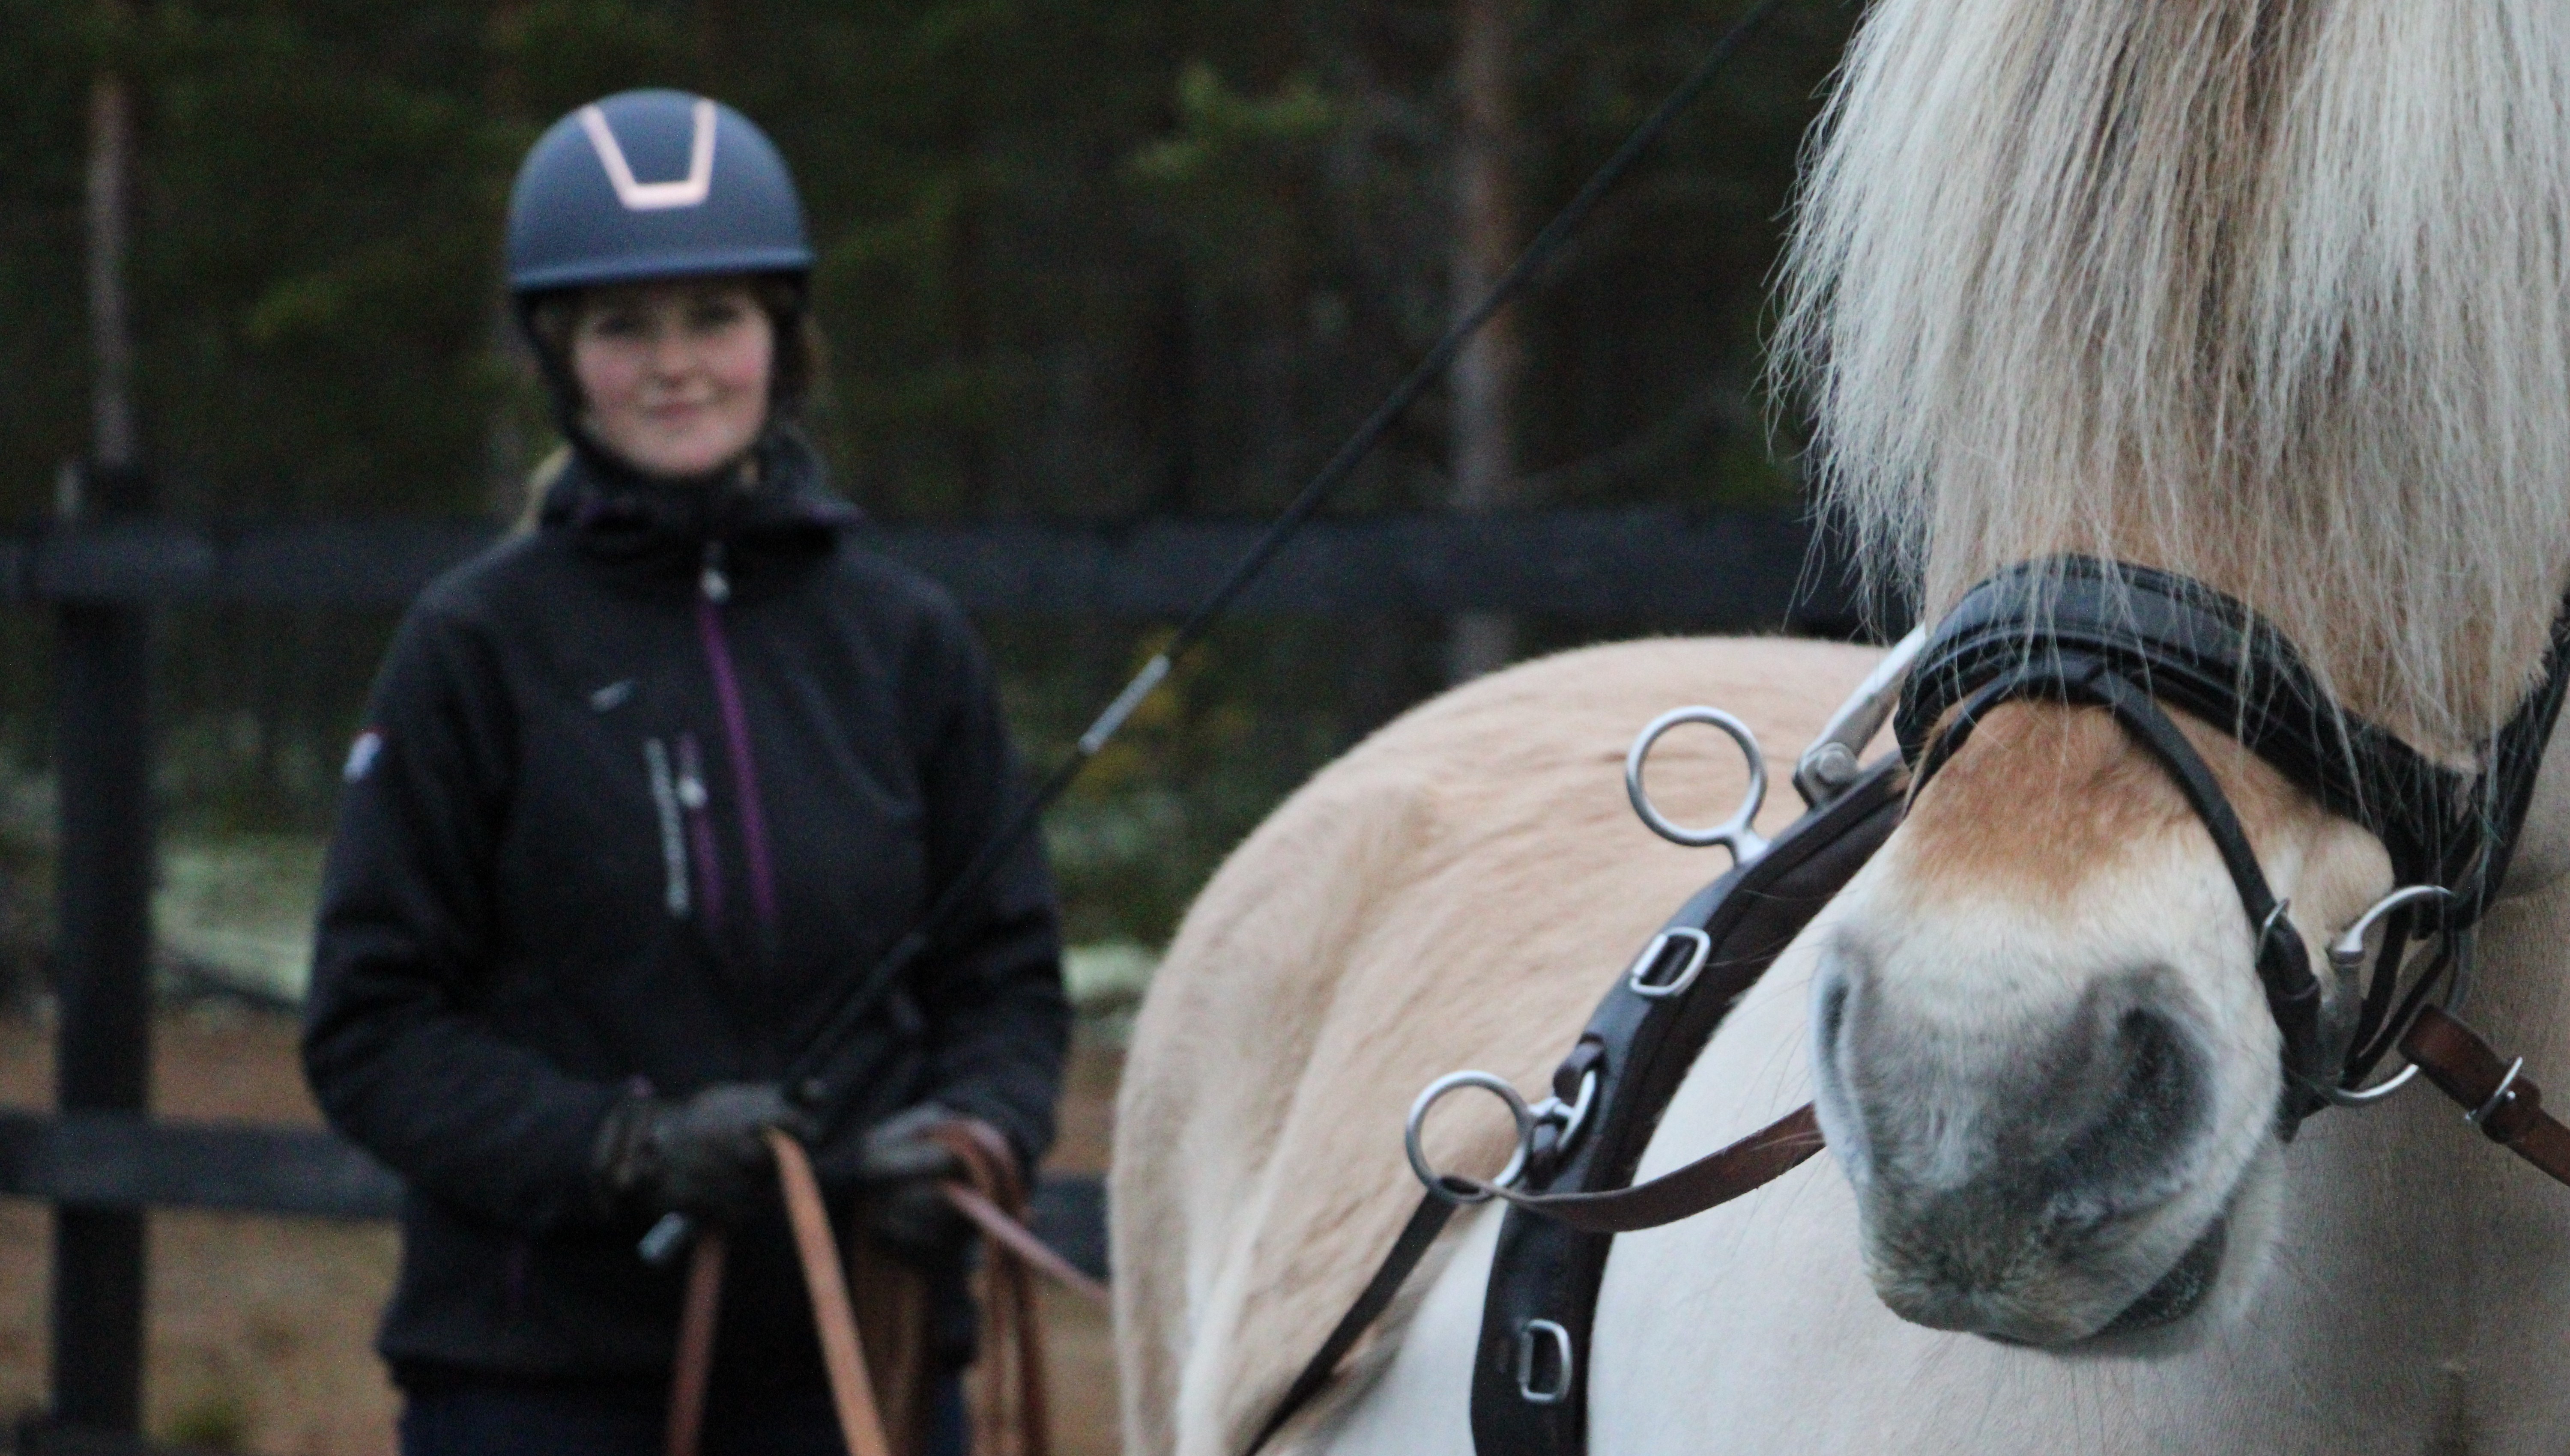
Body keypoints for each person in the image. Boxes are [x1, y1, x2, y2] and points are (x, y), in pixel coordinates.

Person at [302, 89, 1069, 1456]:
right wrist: (621, 1151)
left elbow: (1002, 975)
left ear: (783, 338)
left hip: (863, 1366)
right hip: (538, 1373)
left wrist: (967, 1137)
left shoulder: (906, 642)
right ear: (560, 356)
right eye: (623, 327)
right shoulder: (472, 648)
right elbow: (372, 1030)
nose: (677, 365)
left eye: (714, 317)